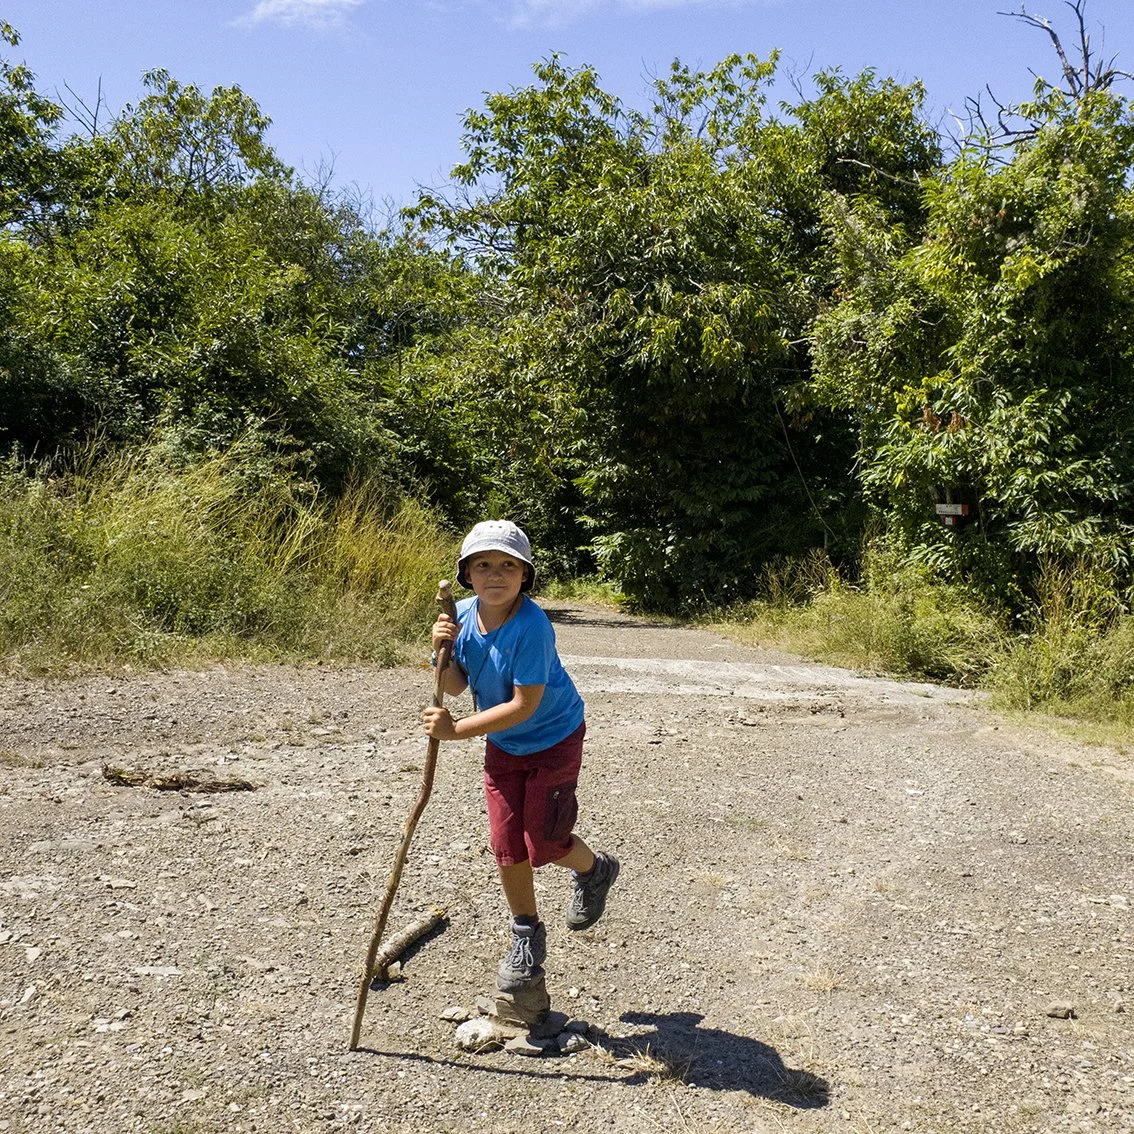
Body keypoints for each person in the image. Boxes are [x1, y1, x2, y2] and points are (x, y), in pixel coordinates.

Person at [422, 519, 620, 992]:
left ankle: (596, 871)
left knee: (545, 843)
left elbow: (523, 704)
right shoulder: (463, 616)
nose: (495, 574)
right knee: (507, 844)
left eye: (508, 565)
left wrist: (458, 731)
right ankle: (526, 933)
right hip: (505, 744)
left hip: (554, 738)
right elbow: (456, 684)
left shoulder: (531, 626)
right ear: (467, 573)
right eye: (483, 564)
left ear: (525, 575)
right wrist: (439, 653)